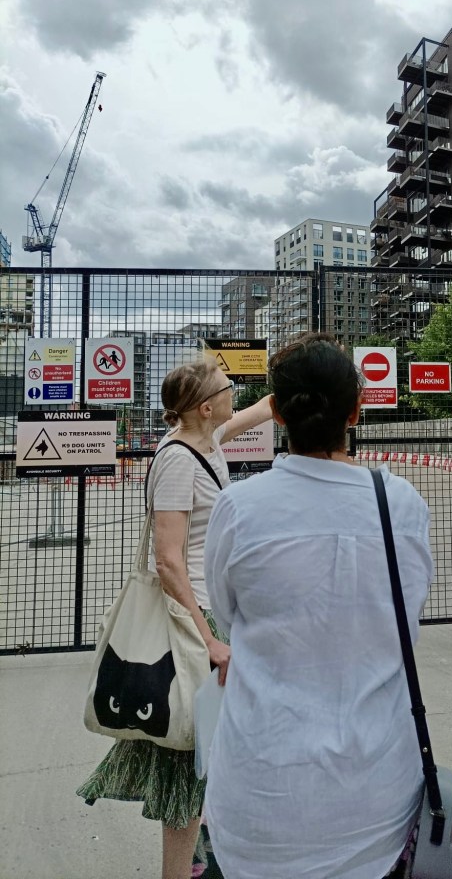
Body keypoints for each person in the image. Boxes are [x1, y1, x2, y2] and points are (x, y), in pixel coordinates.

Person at [203, 334, 433, 879]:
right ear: (356, 410)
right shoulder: (400, 503)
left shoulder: (238, 507)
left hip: (257, 800)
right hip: (376, 798)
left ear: (277, 414)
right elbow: (409, 616)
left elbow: (226, 615)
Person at [77, 357, 272, 879]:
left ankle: (200, 862)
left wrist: (299, 376)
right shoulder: (180, 460)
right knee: (189, 759)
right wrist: (208, 638)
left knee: (209, 753)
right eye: (226, 387)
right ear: (206, 406)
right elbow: (167, 560)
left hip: (210, 612)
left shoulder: (205, 438)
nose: (235, 391)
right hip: (194, 619)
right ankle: (178, 871)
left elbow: (258, 411)